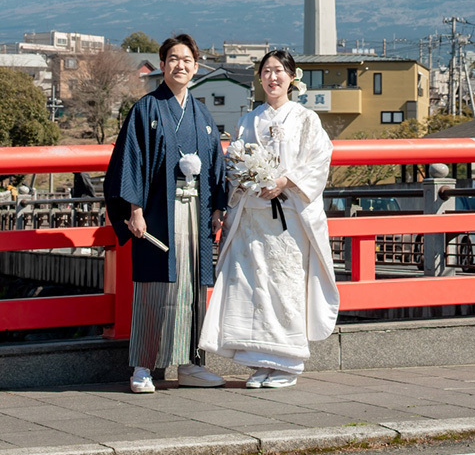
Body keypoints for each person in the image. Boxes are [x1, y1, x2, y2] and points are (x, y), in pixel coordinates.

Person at [199, 49, 339, 388]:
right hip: (253, 217)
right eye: (266, 72)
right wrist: (247, 178)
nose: (272, 77)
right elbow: (234, 163)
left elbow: (319, 161)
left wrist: (283, 182)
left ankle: (288, 362)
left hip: (289, 219)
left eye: (279, 71)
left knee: (284, 285)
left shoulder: (306, 119)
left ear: (292, 77)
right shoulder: (249, 120)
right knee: (252, 287)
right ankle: (261, 361)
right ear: (259, 78)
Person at [104, 34, 226, 393]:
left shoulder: (202, 113)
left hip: (196, 210)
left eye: (187, 60)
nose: (180, 65)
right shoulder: (146, 108)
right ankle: (143, 366)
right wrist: (135, 210)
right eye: (173, 59)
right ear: (162, 65)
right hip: (159, 211)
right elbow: (132, 162)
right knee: (156, 286)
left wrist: (218, 207)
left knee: (191, 287)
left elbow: (217, 165)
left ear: (197, 66)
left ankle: (190, 363)